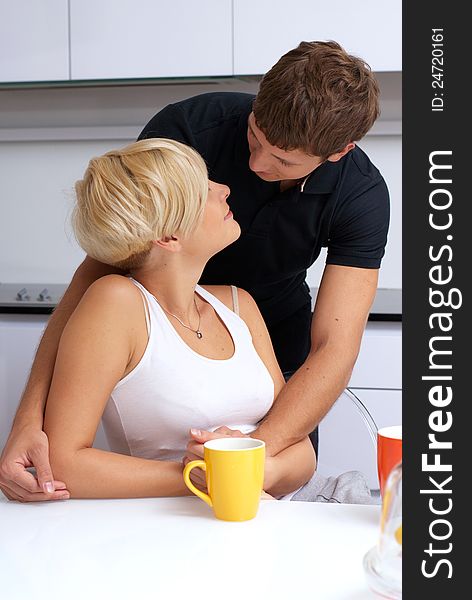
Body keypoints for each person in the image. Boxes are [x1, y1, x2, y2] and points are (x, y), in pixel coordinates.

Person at [0, 40, 389, 501]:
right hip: (158, 317)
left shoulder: (360, 197)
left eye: (282, 160)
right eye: (254, 138)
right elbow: (99, 267)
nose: (255, 164)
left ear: (339, 152)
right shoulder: (190, 130)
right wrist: (28, 418)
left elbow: (332, 350)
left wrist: (247, 457)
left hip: (270, 326)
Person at [36, 138, 317, 499]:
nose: (225, 189)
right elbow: (64, 462)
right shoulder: (115, 304)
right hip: (172, 531)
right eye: (203, 188)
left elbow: (301, 449)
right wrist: (205, 476)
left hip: (270, 518)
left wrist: (264, 470)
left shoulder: (237, 304)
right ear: (169, 235)